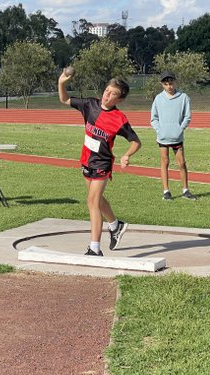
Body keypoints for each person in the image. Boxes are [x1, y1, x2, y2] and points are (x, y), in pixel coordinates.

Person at [58, 72, 141, 256]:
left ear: (119, 100)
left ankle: (94, 248)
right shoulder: (90, 105)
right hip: (86, 160)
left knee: (92, 201)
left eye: (113, 94)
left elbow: (136, 142)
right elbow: (64, 100)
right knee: (97, 199)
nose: (107, 95)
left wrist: (127, 155)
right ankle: (115, 225)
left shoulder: (119, 119)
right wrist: (61, 82)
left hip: (102, 163)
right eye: (106, 90)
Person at [151, 71, 197, 201]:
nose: (169, 86)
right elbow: (154, 118)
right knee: (164, 162)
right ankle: (166, 191)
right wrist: (159, 130)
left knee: (181, 163)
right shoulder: (158, 99)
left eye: (171, 83)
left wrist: (180, 128)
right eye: (166, 84)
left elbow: (187, 116)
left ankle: (185, 190)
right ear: (162, 85)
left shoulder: (183, 97)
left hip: (177, 137)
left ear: (174, 83)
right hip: (163, 137)